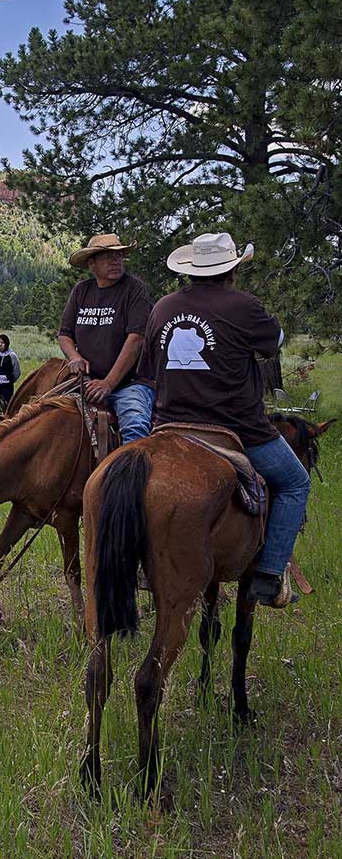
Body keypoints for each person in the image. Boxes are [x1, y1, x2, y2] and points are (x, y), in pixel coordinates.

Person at [137, 232, 310, 608]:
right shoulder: (244, 305)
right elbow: (274, 342)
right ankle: (269, 576)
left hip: (169, 427)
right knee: (296, 483)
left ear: (191, 270)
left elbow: (149, 371)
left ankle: (139, 561)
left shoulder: (162, 308)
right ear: (231, 270)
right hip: (237, 429)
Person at [58, 233, 154, 443]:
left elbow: (136, 339)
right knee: (46, 418)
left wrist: (108, 384)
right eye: (107, 257)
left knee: (135, 427)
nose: (116, 261)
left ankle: (131, 474)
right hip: (86, 382)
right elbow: (65, 334)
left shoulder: (134, 288)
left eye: (119, 256)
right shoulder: (81, 291)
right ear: (91, 264)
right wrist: (75, 358)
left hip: (129, 384)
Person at [0, 334, 21, 411]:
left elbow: (17, 371)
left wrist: (10, 380)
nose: (0, 345)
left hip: (7, 386)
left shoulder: (12, 355)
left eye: (2, 343)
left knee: (6, 405)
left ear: (6, 343)